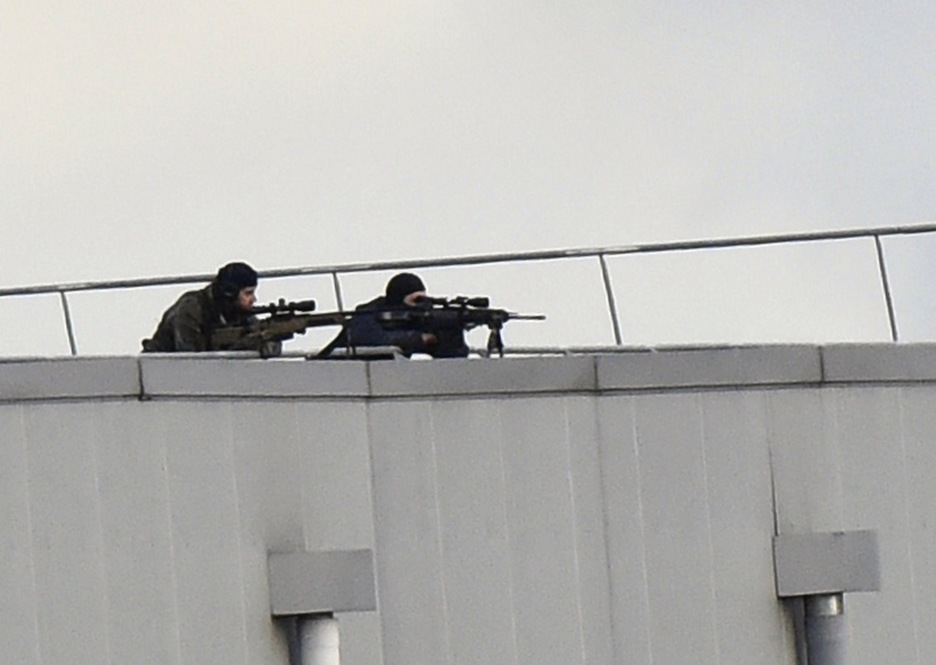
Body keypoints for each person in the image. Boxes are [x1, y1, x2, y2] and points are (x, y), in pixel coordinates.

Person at [323, 272, 469, 358]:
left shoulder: (424, 316)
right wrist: (418, 339)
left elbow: (453, 357)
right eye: (416, 300)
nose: (421, 305)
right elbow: (362, 336)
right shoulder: (370, 313)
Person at [141, 262, 263, 352]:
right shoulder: (191, 309)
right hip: (159, 371)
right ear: (230, 293)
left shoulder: (239, 314)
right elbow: (191, 359)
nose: (253, 299)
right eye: (248, 293)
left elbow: (260, 332)